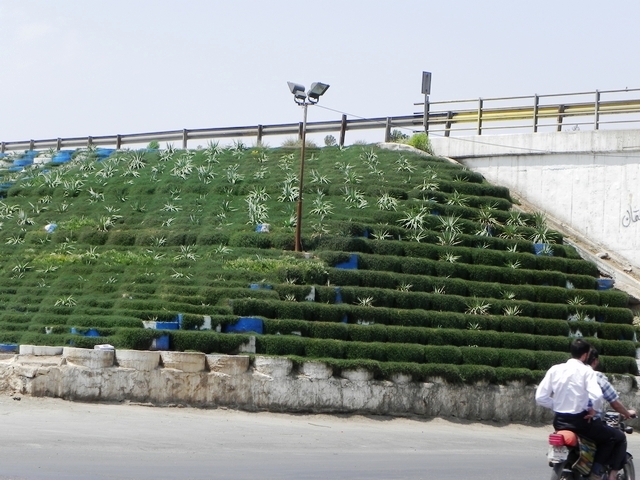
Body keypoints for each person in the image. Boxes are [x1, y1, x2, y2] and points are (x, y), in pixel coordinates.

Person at [535, 339, 623, 480]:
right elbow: (597, 395)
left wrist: (556, 405)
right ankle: (595, 472)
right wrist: (593, 410)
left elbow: (540, 397)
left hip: (559, 422)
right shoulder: (586, 371)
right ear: (585, 355)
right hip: (580, 424)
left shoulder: (555, 369)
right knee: (612, 438)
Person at [585, 348, 635, 480]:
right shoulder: (596, 376)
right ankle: (603, 474)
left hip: (562, 421)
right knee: (617, 438)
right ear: (595, 361)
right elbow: (615, 403)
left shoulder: (566, 373)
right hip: (588, 422)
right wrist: (627, 413)